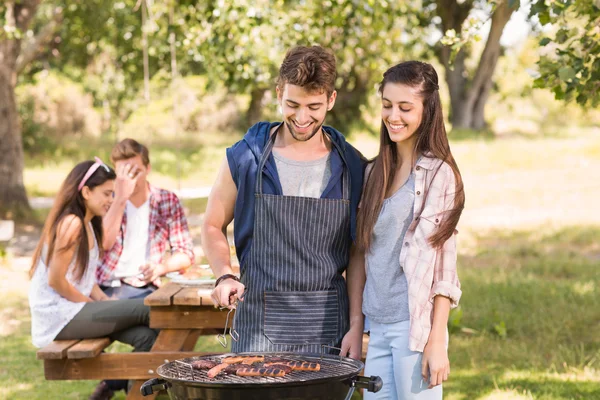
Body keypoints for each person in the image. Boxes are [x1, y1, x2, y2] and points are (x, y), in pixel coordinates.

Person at [202, 45, 365, 355]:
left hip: (328, 327)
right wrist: (224, 274)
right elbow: (212, 224)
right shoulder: (246, 158)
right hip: (257, 328)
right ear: (278, 93)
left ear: (331, 99)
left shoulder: (351, 166)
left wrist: (356, 325)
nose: (302, 117)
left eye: (314, 106)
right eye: (292, 104)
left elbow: (358, 252)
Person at [343, 61, 465, 399]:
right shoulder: (373, 174)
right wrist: (356, 326)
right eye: (387, 105)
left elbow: (444, 265)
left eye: (405, 107)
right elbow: (359, 254)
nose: (393, 116)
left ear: (427, 111)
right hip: (376, 326)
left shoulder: (439, 175)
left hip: (415, 327)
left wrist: (437, 339)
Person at [29, 158, 158, 400]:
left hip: (77, 309)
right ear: (86, 191)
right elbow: (56, 281)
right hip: (59, 316)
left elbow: (85, 279)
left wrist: (103, 302)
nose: (111, 200)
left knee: (148, 338)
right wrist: (94, 306)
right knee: (148, 307)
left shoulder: (88, 224)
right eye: (107, 194)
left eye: (113, 194)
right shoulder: (71, 223)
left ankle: (137, 395)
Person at [96, 139, 195, 299]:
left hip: (143, 286)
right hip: (104, 285)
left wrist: (160, 268)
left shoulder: (166, 200)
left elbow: (186, 254)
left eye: (135, 172)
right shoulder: (107, 200)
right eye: (123, 174)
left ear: (148, 169)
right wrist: (120, 199)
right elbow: (104, 243)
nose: (129, 179)